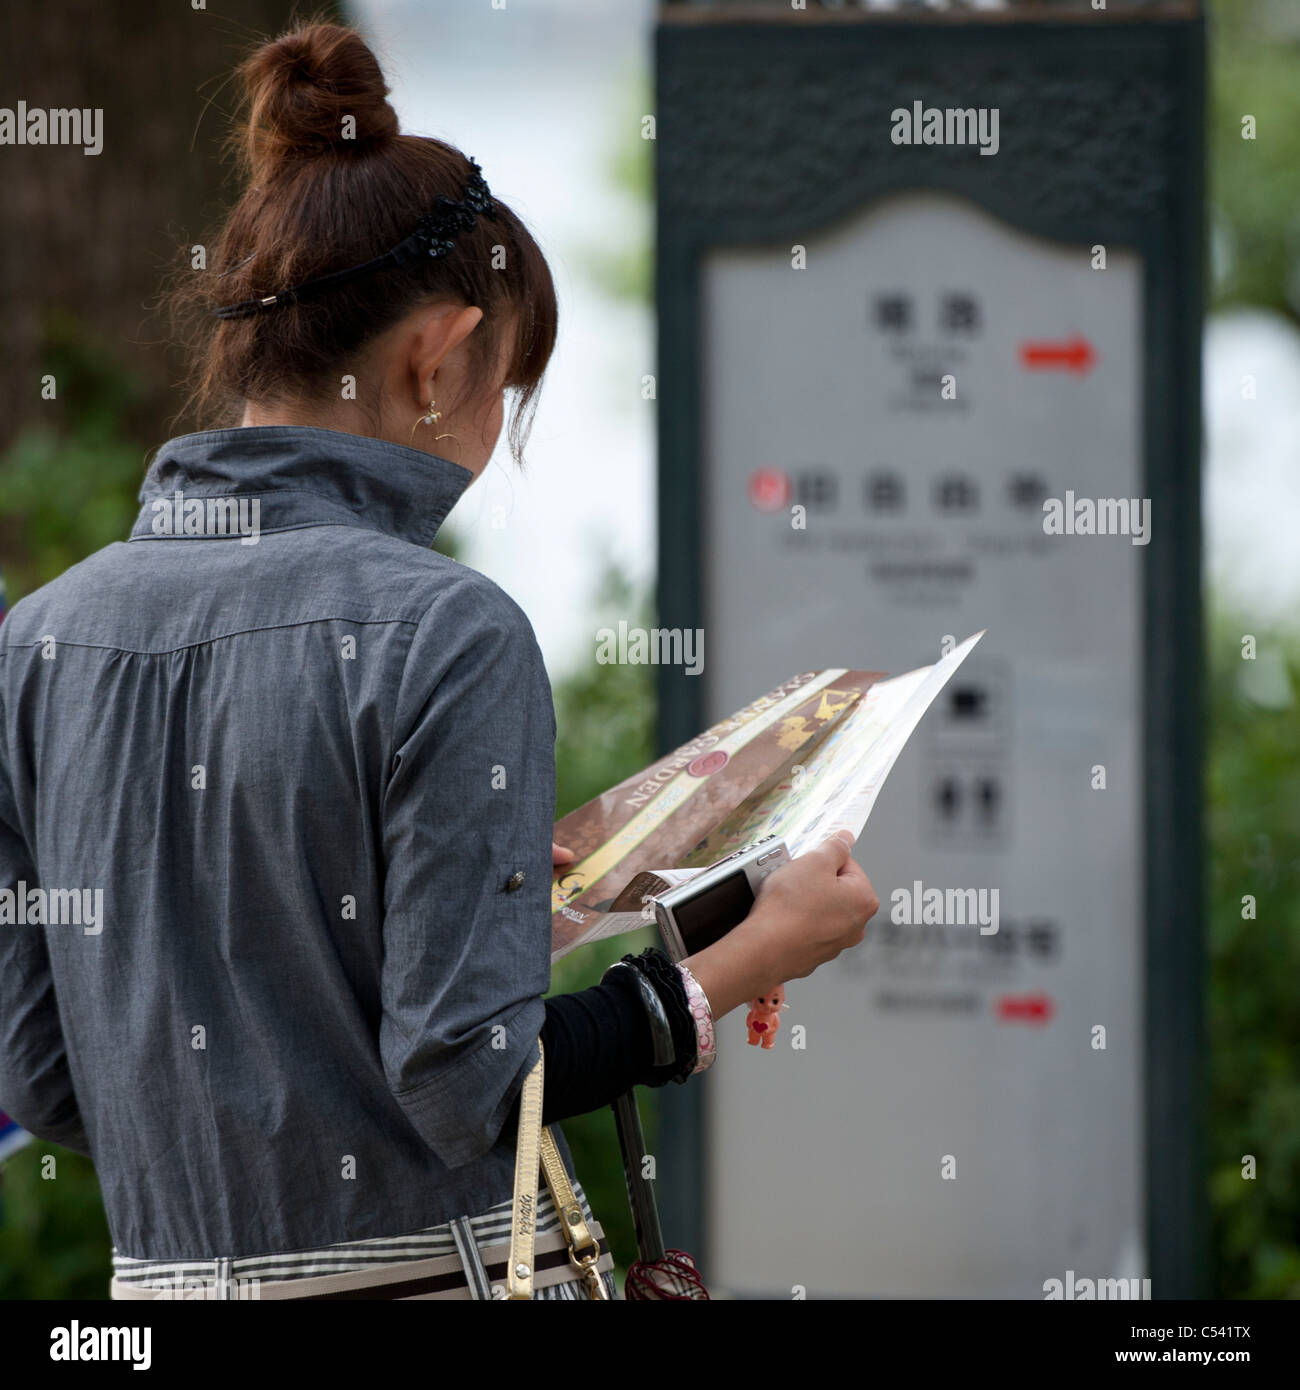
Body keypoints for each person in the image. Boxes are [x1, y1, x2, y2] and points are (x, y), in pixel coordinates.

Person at [0, 21, 879, 1301]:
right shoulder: (443, 631)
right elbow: (470, 1082)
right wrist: (737, 965)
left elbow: (47, 1079)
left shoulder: (34, 646)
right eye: (505, 395)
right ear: (440, 354)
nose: (489, 441)